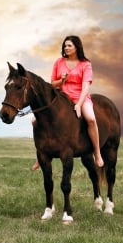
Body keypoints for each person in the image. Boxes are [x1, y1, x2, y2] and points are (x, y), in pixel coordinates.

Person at [31, 35, 104, 170]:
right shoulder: (59, 62)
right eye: (65, 46)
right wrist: (62, 81)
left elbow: (85, 87)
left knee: (91, 119)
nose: (66, 48)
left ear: (77, 47)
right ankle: (40, 157)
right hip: (61, 97)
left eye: (69, 45)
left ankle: (97, 153)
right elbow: (53, 84)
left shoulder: (85, 64)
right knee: (36, 121)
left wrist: (78, 104)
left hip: (80, 97)